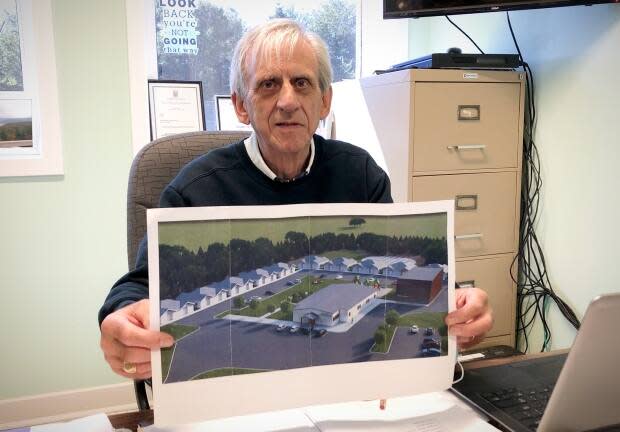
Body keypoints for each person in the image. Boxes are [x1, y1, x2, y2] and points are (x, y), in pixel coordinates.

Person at [99, 19, 493, 380]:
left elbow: (405, 263)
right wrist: (121, 318)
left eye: (302, 83)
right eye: (269, 84)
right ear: (240, 105)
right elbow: (138, 287)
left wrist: (458, 301)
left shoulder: (360, 174)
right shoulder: (193, 191)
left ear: (324, 102)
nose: (287, 100)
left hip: (346, 392)